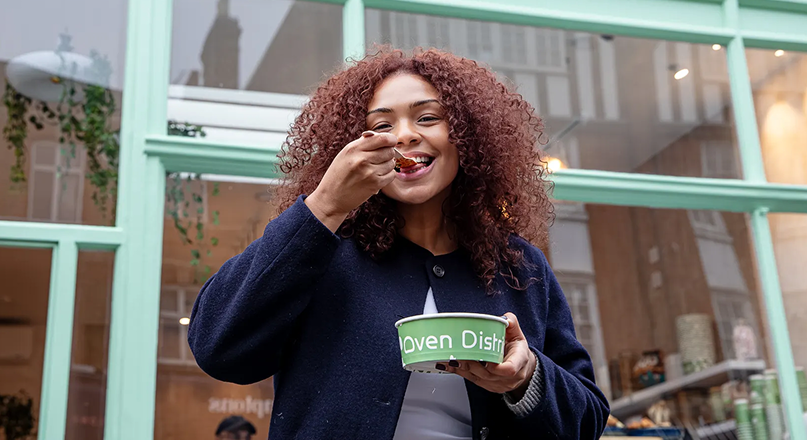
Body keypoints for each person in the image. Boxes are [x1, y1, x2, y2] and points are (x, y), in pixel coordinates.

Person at [189, 47, 610, 440]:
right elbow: (218, 348)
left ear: (466, 136)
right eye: (382, 125)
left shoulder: (521, 267)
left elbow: (587, 419)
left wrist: (527, 378)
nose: (404, 136)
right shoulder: (320, 249)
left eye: (427, 118)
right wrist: (324, 206)